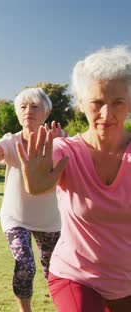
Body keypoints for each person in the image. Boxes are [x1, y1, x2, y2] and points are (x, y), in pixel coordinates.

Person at [16, 46, 131, 311]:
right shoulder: (66, 150)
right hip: (76, 276)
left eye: (117, 103)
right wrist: (35, 182)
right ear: (81, 103)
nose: (106, 114)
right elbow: (40, 182)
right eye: (97, 102)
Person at [0, 88, 64, 312]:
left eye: (35, 106)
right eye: (23, 107)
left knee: (55, 271)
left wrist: (57, 147)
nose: (28, 111)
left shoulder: (59, 141)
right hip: (16, 218)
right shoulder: (11, 141)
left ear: (46, 112)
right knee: (25, 265)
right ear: (18, 114)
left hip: (51, 220)